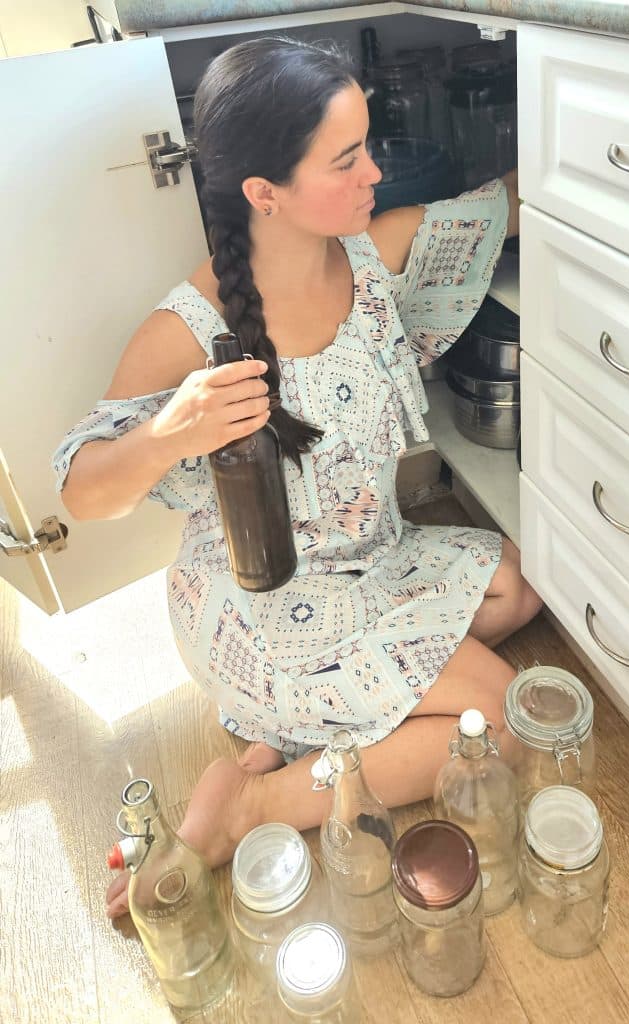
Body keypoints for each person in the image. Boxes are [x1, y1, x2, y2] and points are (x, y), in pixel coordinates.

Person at [52, 37, 541, 920]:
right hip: (260, 603)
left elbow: (498, 206)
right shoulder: (188, 328)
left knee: (520, 587)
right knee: (501, 726)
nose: (374, 172)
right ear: (263, 194)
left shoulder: (373, 256)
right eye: (347, 157)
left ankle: (293, 731)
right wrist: (173, 428)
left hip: (370, 561)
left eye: (368, 146)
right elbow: (83, 492)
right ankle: (252, 804)